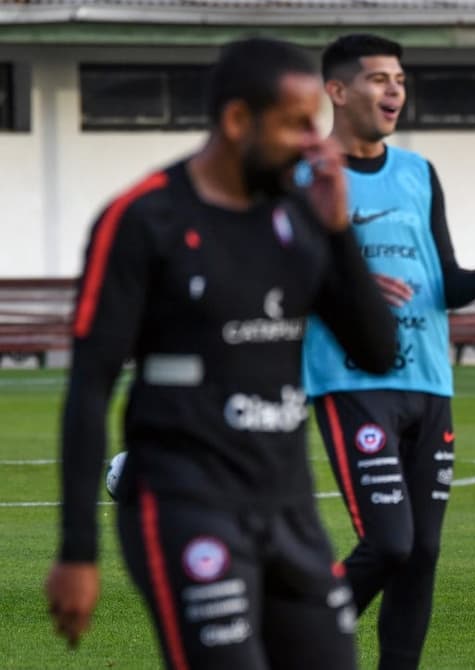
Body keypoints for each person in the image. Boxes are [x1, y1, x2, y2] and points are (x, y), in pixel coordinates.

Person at [45, 37, 398, 668]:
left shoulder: (299, 216)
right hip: (186, 508)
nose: (314, 142)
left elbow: (377, 353)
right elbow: (89, 386)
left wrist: (338, 231)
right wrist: (77, 552)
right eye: (296, 124)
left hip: (289, 511)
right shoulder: (143, 218)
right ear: (237, 120)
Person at [301, 33, 475, 670]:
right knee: (389, 543)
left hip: (429, 380)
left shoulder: (417, 173)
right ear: (337, 90)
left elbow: (440, 275)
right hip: (352, 381)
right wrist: (349, 287)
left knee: (422, 553)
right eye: (379, 79)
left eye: (400, 79)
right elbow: (277, 279)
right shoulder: (304, 174)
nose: (394, 90)